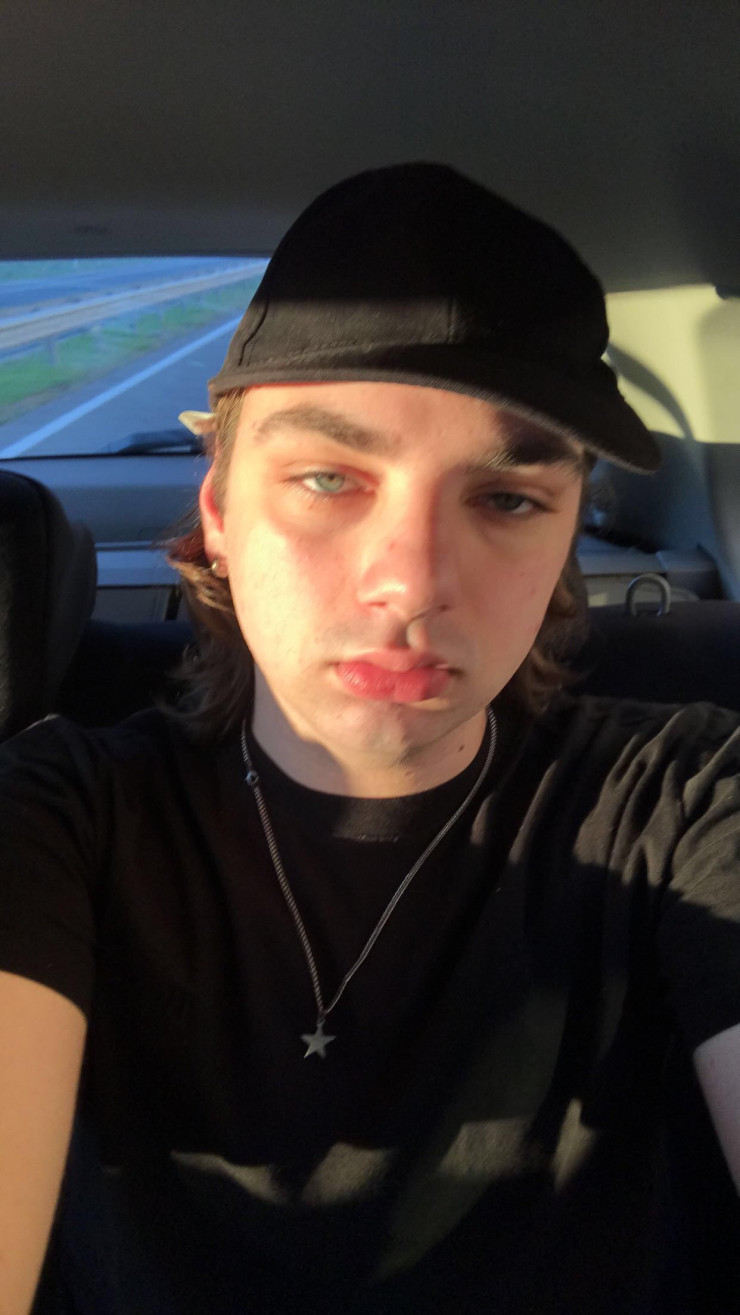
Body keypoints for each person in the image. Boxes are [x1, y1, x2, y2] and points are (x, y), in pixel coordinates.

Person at [1, 163, 739, 1315]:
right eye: (327, 477)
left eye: (505, 499)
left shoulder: (688, 799)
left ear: (565, 533)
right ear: (218, 513)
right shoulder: (51, 817)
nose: (411, 580)